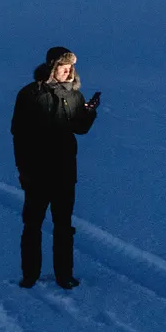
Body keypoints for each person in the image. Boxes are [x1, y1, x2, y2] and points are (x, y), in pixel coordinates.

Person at [10, 47, 101, 289]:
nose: (68, 70)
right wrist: (24, 170)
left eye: (71, 66)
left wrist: (89, 112)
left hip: (64, 172)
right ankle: (30, 275)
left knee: (63, 227)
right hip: (37, 172)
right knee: (32, 225)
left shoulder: (74, 96)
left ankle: (64, 276)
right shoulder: (30, 94)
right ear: (52, 66)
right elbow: (19, 134)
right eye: (64, 66)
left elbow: (79, 128)